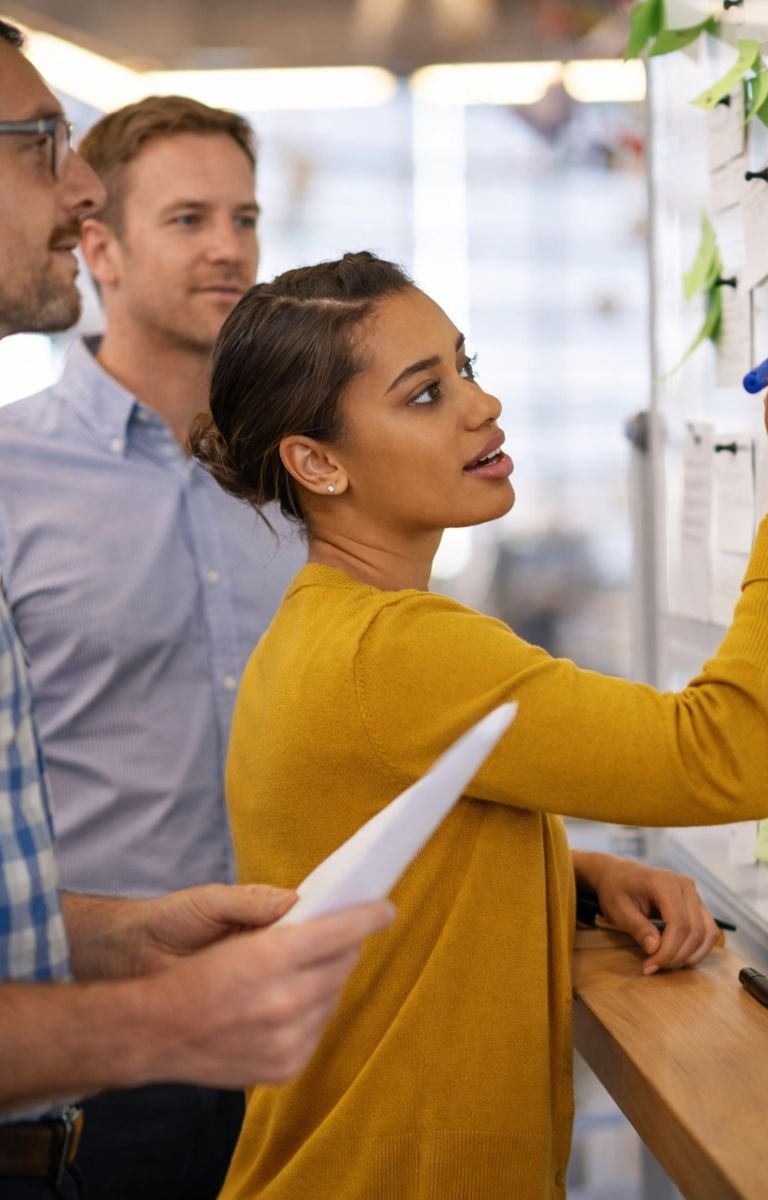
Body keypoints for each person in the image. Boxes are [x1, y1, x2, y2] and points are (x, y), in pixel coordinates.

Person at [190, 250, 768, 1200]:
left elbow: (386, 861)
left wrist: (574, 876)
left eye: (464, 366)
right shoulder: (400, 649)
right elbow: (722, 761)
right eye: (425, 395)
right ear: (317, 463)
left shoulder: (320, 627)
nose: (484, 406)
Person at [0, 23, 393, 1200]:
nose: (230, 251)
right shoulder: (9, 477)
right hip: (87, 1056)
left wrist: (559, 858)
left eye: (246, 219)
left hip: (309, 1015)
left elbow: (380, 728)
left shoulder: (311, 478)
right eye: (188, 220)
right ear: (99, 245)